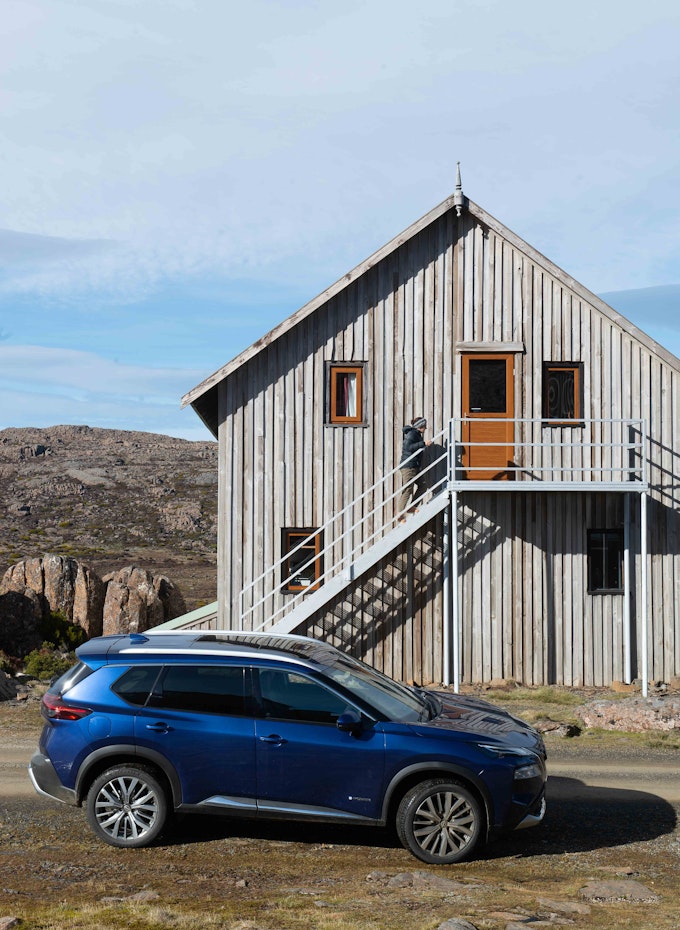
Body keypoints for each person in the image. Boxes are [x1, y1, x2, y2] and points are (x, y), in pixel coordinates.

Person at [397, 417, 432, 521]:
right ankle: (399, 515)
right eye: (424, 426)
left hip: (414, 466)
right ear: (420, 426)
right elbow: (409, 447)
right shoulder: (412, 434)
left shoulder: (416, 434)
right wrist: (423, 444)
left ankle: (412, 506)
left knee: (423, 485)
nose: (426, 428)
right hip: (409, 466)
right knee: (407, 489)